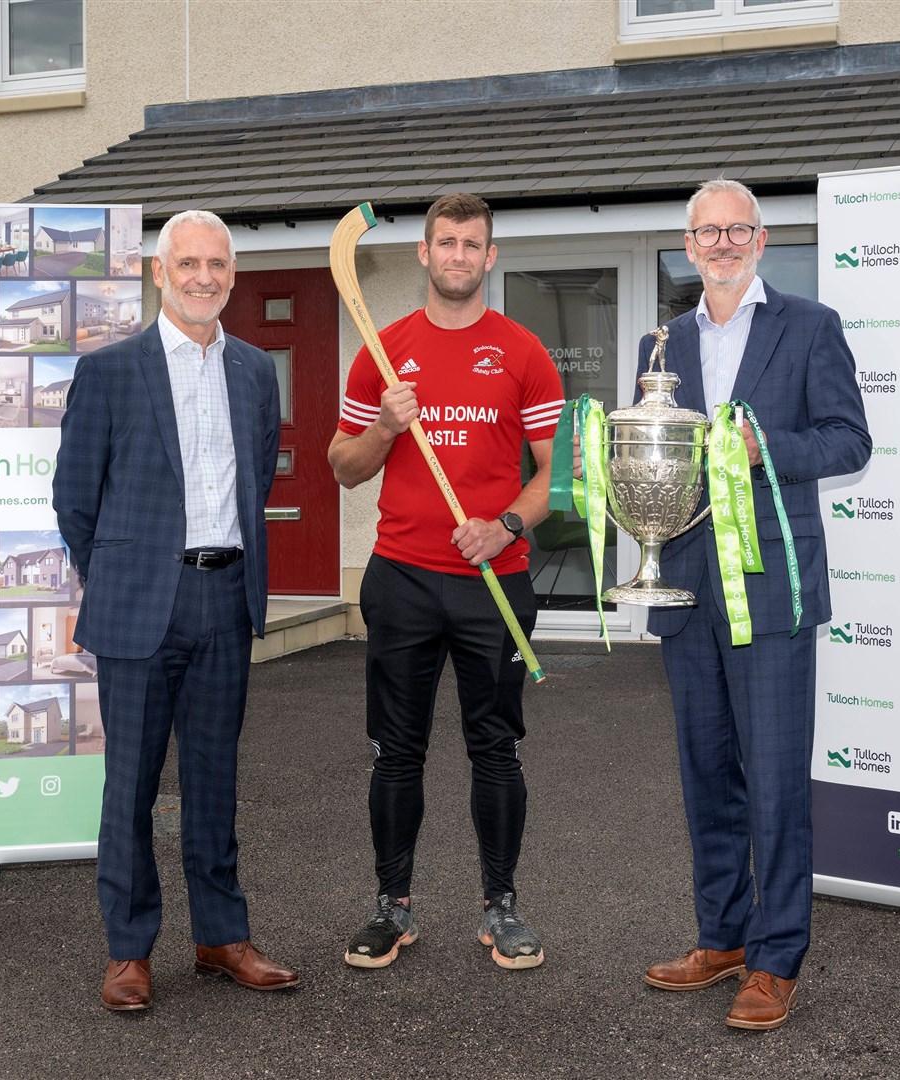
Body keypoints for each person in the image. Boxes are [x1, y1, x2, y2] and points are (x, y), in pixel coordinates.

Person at [637, 179, 870, 1030]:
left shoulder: (810, 327)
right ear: (688, 246)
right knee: (707, 780)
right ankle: (722, 937)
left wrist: (760, 447)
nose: (724, 243)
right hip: (687, 587)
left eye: (738, 230)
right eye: (708, 233)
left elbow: (851, 439)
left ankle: (777, 960)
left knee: (774, 785)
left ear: (762, 240)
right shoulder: (659, 342)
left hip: (772, 589)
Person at [52, 208, 298, 1011]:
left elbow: (253, 480)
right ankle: (129, 951)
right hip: (137, 608)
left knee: (214, 780)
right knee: (129, 784)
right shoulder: (111, 371)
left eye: (216, 265)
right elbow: (74, 501)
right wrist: (122, 574)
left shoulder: (257, 372)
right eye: (186, 264)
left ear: (232, 276)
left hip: (224, 598)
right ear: (159, 274)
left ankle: (222, 938)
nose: (202, 277)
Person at [329, 193, 565, 972]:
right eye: (446, 242)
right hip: (400, 579)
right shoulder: (382, 349)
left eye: (473, 244)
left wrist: (507, 526)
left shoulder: (524, 351)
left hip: (492, 580)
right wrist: (387, 426)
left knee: (495, 749)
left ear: (489, 257)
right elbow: (343, 468)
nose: (459, 255)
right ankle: (391, 906)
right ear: (424, 255)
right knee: (395, 753)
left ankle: (502, 907)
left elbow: (548, 478)